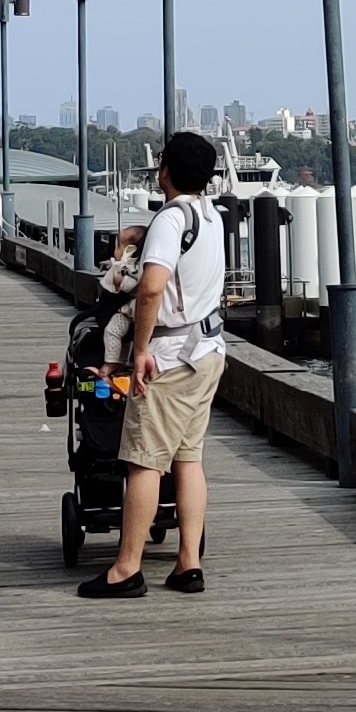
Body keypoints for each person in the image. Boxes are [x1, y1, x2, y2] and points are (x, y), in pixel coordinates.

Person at [75, 130, 225, 601]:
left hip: (170, 358)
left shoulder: (170, 219)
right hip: (208, 349)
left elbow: (152, 287)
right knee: (188, 458)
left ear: (165, 171)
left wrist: (138, 351)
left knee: (143, 462)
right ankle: (188, 563)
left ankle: (127, 569)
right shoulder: (210, 216)